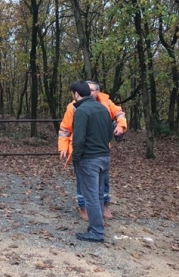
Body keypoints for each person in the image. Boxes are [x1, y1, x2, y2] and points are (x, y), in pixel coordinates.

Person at [58, 80, 127, 220]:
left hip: (101, 150)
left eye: (93, 90)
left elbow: (119, 114)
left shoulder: (106, 103)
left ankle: (104, 206)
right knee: (83, 181)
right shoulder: (74, 107)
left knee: (103, 180)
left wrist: (121, 126)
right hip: (83, 151)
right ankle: (84, 207)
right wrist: (64, 147)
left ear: (98, 91)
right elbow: (65, 129)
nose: (90, 93)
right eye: (87, 90)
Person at [69, 80, 113, 243]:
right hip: (104, 157)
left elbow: (78, 139)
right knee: (99, 194)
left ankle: (96, 231)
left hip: (89, 159)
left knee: (91, 196)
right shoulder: (102, 108)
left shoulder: (81, 111)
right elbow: (110, 134)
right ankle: (96, 226)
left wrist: (76, 157)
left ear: (76, 94)